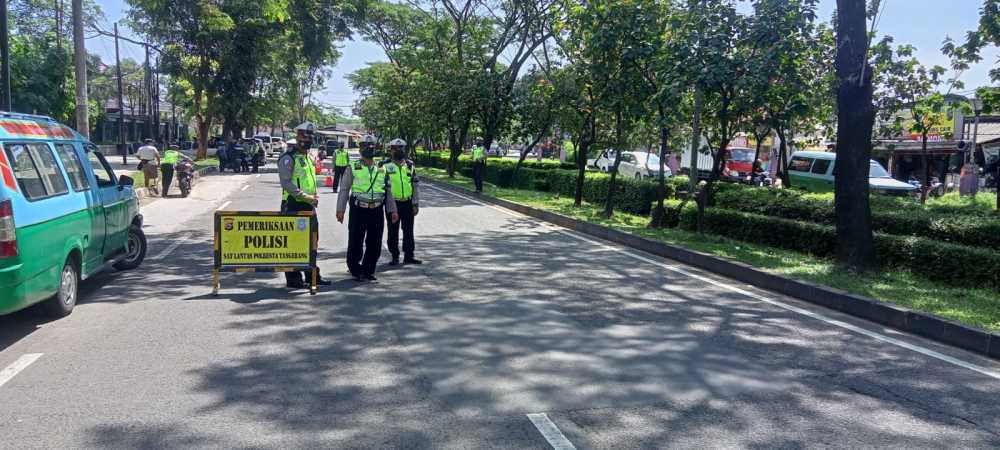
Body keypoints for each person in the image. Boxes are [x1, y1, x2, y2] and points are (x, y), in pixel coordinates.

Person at [337, 135, 399, 281]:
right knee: (356, 241)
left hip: (377, 209)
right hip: (359, 209)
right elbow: (344, 189)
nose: (369, 149)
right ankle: (355, 268)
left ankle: (368, 270)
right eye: (366, 146)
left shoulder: (382, 168)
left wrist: (393, 210)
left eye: (372, 146)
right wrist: (340, 210)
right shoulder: (353, 166)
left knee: (375, 242)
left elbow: (388, 191)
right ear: (360, 149)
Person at [278, 122, 332, 289]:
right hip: (293, 205)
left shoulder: (308, 157)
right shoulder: (289, 158)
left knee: (312, 241)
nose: (307, 139)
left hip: (309, 205)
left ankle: (312, 275)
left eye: (310, 136)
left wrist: (311, 198)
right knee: (293, 243)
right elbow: (286, 183)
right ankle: (294, 279)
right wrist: (307, 196)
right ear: (297, 136)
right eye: (304, 135)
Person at [381, 139, 422, 266]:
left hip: (408, 203)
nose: (398, 151)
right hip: (392, 204)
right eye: (396, 148)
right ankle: (394, 256)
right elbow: (382, 186)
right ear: (391, 150)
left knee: (408, 231)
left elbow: (415, 185)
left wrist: (415, 203)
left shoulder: (410, 165)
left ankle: (409, 255)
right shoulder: (385, 165)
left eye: (401, 148)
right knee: (393, 231)